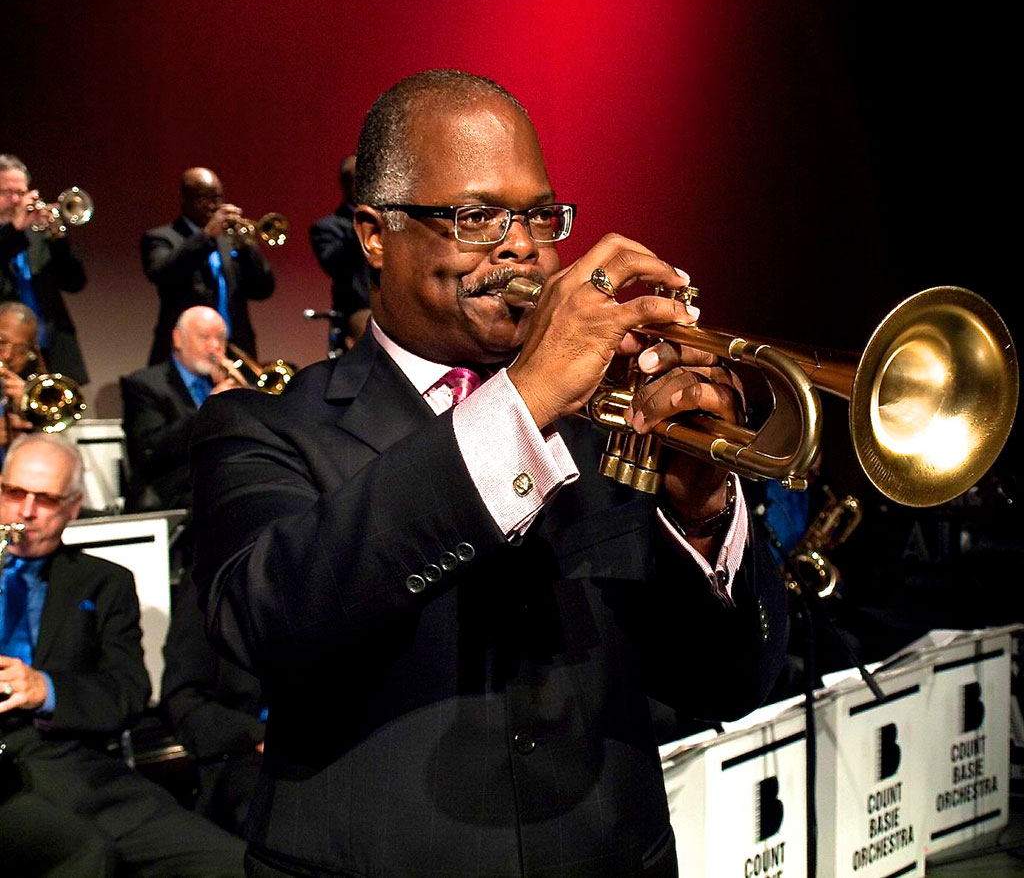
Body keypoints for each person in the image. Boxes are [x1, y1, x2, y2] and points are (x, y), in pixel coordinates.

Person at [191, 70, 787, 878]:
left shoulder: (608, 423)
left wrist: (702, 507)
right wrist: (526, 397)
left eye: (540, 216)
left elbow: (729, 684)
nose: (522, 246)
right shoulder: (264, 427)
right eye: (477, 217)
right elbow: (264, 622)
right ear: (375, 233)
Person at [0, 434, 245, 876]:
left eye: (47, 499)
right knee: (85, 857)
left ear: (73, 508)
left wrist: (46, 689)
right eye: (15, 493)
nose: (26, 511)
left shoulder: (104, 582)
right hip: (6, 785)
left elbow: (128, 694)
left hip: (77, 768)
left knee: (229, 863)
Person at [160, 569, 265, 837]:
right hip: (246, 755)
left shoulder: (335, 570)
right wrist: (256, 734)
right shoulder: (211, 582)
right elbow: (184, 702)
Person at [142, 167, 275, 366]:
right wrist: (206, 236)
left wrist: (247, 246)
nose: (214, 205)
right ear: (185, 199)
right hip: (185, 353)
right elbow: (162, 274)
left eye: (218, 197)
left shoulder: (230, 240)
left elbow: (263, 289)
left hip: (235, 349)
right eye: (205, 198)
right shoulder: (161, 238)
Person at [120, 305, 242, 512]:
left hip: (221, 483)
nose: (215, 347)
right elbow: (150, 451)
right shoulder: (144, 384)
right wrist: (208, 408)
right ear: (178, 338)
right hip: (173, 492)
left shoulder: (221, 382)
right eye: (204, 337)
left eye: (221, 338)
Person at [0, 154, 89, 383]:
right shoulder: (15, 234)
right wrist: (14, 230)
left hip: (50, 346)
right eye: (6, 192)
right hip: (6, 350)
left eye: (21, 192)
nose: (16, 200)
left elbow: (75, 282)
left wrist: (58, 238)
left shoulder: (38, 233)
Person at [309, 153, 372, 353]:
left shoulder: (386, 221)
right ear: (349, 184)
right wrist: (361, 222)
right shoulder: (327, 227)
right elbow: (334, 265)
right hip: (355, 321)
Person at [0, 301, 45, 453]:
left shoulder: (30, 390)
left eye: (20, 349)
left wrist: (31, 412)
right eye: (1, 342)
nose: (7, 355)